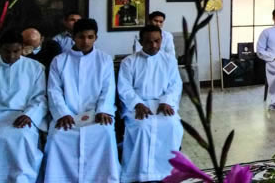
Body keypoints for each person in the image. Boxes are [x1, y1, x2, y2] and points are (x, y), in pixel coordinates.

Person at [44, 18, 120, 182]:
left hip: (96, 114)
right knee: (58, 136)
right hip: (68, 115)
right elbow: (54, 91)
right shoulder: (59, 61)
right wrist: (63, 114)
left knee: (105, 133)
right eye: (81, 37)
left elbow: (108, 89)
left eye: (90, 37)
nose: (85, 41)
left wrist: (103, 110)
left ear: (96, 37)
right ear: (73, 37)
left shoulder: (104, 59)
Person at [117, 25, 183, 183]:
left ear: (161, 40)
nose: (153, 45)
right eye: (148, 41)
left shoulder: (169, 60)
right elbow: (124, 87)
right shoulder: (129, 62)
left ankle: (166, 171)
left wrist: (166, 101)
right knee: (142, 127)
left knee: (172, 125)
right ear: (141, 42)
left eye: (157, 41)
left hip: (162, 104)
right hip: (137, 106)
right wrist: (137, 104)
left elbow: (175, 85)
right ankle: (139, 173)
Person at [0, 29, 47, 183]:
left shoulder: (36, 67)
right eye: (7, 51)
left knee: (22, 137)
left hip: (22, 115)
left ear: (23, 48)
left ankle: (22, 179)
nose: (11, 56)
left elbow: (40, 97)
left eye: (16, 51)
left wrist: (29, 115)